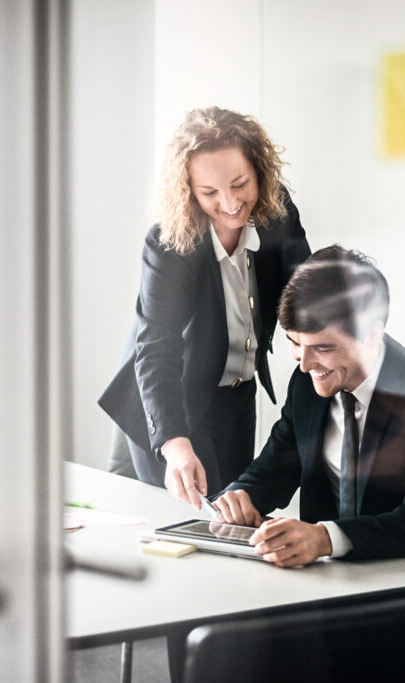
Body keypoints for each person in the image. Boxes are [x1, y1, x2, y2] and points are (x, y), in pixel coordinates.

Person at [211, 246, 405, 677]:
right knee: (228, 641)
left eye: (323, 347)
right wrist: (244, 495)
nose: (306, 363)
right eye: (294, 344)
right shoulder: (307, 381)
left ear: (371, 334)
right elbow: (277, 463)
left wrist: (324, 539)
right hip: (340, 593)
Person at [99, 106, 311, 509]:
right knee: (193, 527)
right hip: (168, 396)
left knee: (236, 518)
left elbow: (307, 292)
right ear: (189, 191)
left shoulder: (276, 211)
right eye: (210, 193)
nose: (231, 204)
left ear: (260, 173)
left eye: (240, 184)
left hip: (236, 395)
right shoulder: (168, 242)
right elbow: (156, 345)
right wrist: (176, 446)